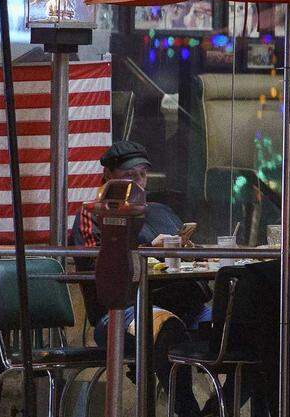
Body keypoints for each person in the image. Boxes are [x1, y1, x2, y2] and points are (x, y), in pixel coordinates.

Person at [71, 140, 215, 417]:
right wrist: (149, 251)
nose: (138, 181)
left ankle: (218, 409)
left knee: (245, 327)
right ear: (109, 175)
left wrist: (188, 250)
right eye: (129, 175)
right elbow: (97, 266)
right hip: (119, 311)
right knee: (167, 326)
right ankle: (188, 411)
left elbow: (186, 256)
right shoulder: (95, 213)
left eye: (142, 174)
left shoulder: (160, 211)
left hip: (183, 304)